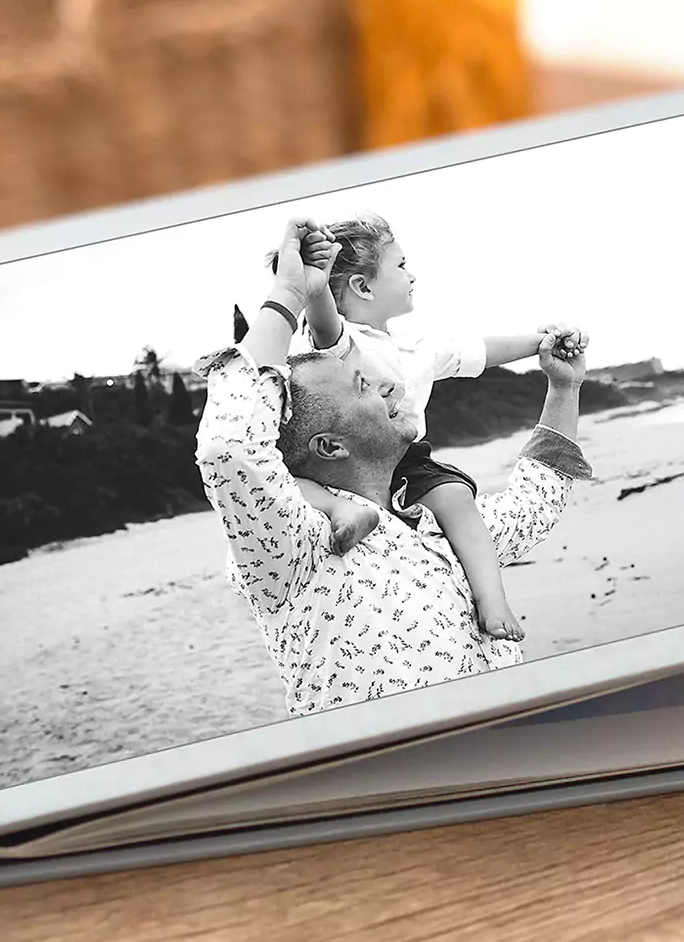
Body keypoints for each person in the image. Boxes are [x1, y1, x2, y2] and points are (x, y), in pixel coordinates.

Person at [196, 218, 593, 718]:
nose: (388, 386)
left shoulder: (435, 523)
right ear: (328, 445)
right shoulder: (293, 545)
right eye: (361, 384)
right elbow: (231, 449)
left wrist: (563, 390)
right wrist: (290, 292)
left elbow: (537, 503)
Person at [267, 212, 587, 643]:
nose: (411, 274)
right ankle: (341, 509)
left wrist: (541, 344)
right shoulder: (342, 345)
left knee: (456, 498)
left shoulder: (416, 346)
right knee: (295, 484)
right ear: (362, 287)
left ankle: (491, 600)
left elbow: (477, 352)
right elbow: (322, 317)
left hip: (408, 459)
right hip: (339, 473)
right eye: (400, 266)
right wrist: (313, 280)